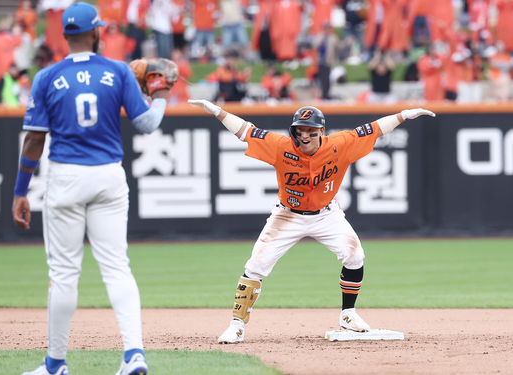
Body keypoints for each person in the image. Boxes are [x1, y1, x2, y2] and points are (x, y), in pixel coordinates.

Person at [187, 99, 436, 344]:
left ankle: (348, 314)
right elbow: (246, 131)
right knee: (256, 265)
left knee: (355, 255)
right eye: (300, 130)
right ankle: (236, 325)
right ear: (293, 131)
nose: (304, 135)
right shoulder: (280, 146)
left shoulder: (341, 144)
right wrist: (218, 111)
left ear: (321, 131)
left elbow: (375, 129)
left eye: (310, 130)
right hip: (288, 214)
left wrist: (403, 115)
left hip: (326, 214)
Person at [13, 2, 170, 375]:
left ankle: (55, 364)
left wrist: (21, 190)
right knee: (117, 267)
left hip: (66, 177)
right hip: (108, 176)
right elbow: (147, 125)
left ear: (66, 35)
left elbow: (34, 142)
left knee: (65, 274)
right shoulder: (116, 71)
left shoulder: (47, 77)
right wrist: (161, 94)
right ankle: (134, 354)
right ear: (96, 31)